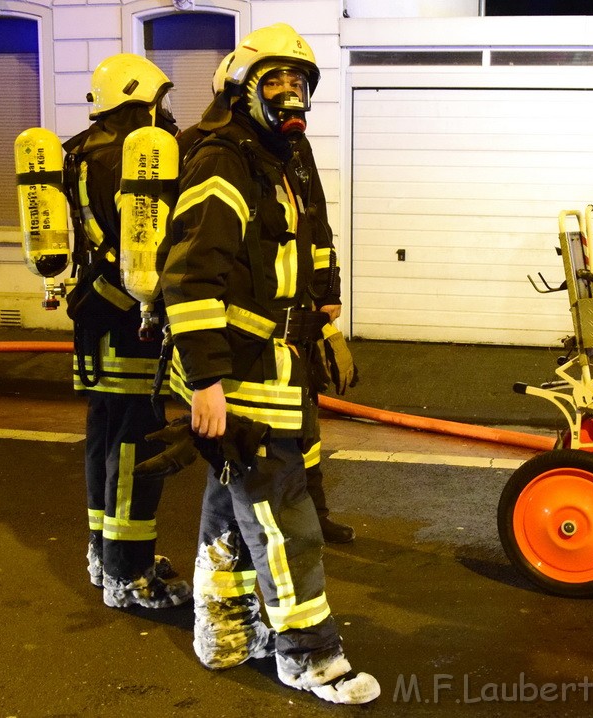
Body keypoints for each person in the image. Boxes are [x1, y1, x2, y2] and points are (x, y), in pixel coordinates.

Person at [161, 24, 379, 704]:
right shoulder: (223, 162)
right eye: (275, 81)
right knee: (285, 515)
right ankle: (309, 657)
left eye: (300, 83)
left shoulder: (282, 156)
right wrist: (206, 383)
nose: (292, 94)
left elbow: (310, 235)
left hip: (274, 363)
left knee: (235, 502)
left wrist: (325, 312)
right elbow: (191, 279)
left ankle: (224, 633)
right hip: (237, 369)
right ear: (239, 91)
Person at [61, 54, 192, 609]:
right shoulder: (131, 155)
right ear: (139, 99)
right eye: (160, 101)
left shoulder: (81, 152)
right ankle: (128, 572)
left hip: (95, 310)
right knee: (135, 446)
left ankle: (104, 553)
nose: (168, 114)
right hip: (130, 316)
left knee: (105, 436)